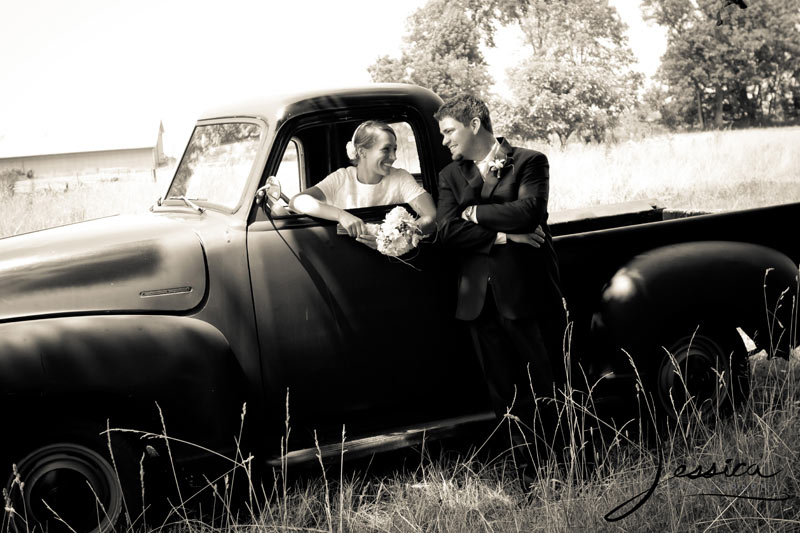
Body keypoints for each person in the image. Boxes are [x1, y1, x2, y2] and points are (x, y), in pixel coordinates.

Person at [433, 94, 567, 487]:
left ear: (474, 124)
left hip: (528, 293)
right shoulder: (450, 176)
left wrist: (472, 212)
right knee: (505, 397)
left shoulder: (529, 160)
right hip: (480, 303)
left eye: (449, 131)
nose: (444, 141)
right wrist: (505, 239)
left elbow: (530, 213)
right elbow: (446, 231)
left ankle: (573, 466)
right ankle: (530, 476)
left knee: (550, 384)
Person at [289, 120, 436, 248]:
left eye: (394, 149)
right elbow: (297, 201)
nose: (393, 157)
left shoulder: (400, 178)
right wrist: (341, 215)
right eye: (386, 149)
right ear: (362, 152)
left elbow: (432, 216)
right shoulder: (342, 178)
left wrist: (391, 240)